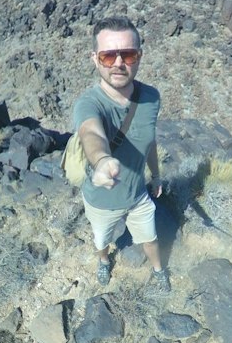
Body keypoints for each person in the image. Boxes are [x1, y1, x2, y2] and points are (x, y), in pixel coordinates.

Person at [71, 17, 169, 292]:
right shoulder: (89, 103)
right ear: (95, 59)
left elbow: (149, 141)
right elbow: (91, 133)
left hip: (138, 195)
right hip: (102, 200)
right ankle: (103, 262)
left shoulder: (151, 97)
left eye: (127, 54)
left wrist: (156, 175)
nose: (118, 63)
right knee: (101, 240)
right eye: (107, 56)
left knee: (149, 238)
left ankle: (159, 270)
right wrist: (101, 161)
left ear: (139, 56)